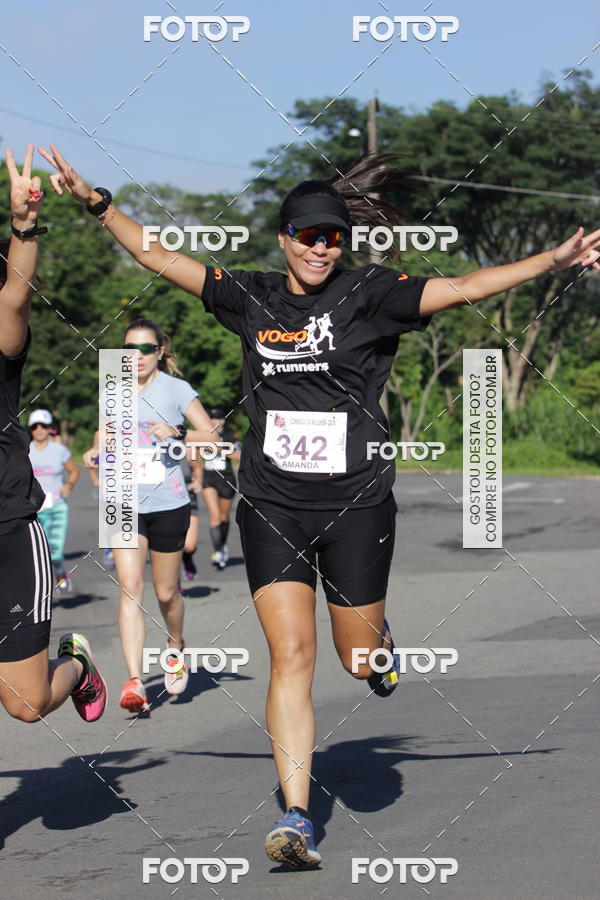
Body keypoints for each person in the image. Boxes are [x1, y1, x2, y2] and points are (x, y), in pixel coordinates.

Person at [39, 144, 600, 867]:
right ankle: (297, 817)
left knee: (357, 658)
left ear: (344, 242)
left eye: (333, 236)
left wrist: (549, 262)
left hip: (357, 505)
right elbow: (161, 257)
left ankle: (380, 647)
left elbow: (463, 287)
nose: (320, 247)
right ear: (284, 239)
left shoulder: (371, 293)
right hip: (272, 505)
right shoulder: (251, 297)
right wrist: (98, 204)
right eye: (308, 235)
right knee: (291, 656)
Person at [0, 145, 105, 727]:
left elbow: (14, 294)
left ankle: (76, 663)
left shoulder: (3, 333)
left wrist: (23, 225)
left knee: (27, 704)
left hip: (7, 532)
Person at [83, 318, 216, 714]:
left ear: (160, 351)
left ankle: (175, 642)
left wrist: (175, 432)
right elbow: (102, 433)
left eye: (144, 349)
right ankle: (135, 681)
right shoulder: (113, 389)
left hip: (168, 503)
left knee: (164, 592)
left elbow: (212, 436)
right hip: (122, 498)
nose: (135, 358)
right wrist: (95, 448)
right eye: (128, 350)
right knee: (129, 587)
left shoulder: (176, 389)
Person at [28, 408, 79, 594]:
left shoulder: (59, 450)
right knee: (36, 553)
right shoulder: (25, 451)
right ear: (31, 429)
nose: (39, 429)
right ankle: (40, 589)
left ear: (50, 428)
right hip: (34, 509)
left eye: (43, 425)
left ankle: (60, 572)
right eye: (35, 426)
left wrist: (69, 486)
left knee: (55, 551)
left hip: (57, 506)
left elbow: (74, 470)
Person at [201, 405, 241, 570]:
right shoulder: (203, 434)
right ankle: (218, 551)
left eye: (219, 418)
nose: (216, 421)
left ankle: (223, 545)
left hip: (226, 478)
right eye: (212, 418)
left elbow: (239, 455)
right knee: (215, 516)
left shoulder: (230, 434)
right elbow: (194, 453)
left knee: (224, 517)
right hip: (208, 477)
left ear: (224, 419)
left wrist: (220, 450)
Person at [181, 446, 202, 581]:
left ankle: (187, 558)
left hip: (187, 498)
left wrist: (198, 481)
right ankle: (173, 583)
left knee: (189, 546)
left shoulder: (187, 447)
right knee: (169, 547)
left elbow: (197, 468)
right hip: (160, 501)